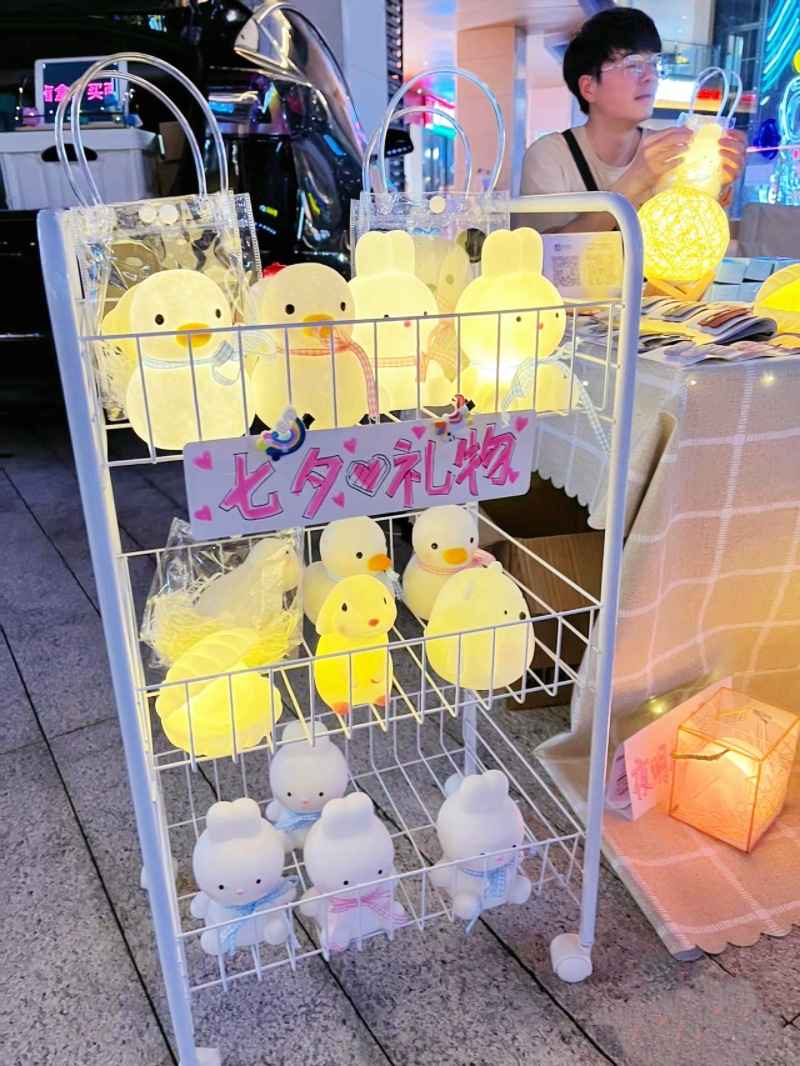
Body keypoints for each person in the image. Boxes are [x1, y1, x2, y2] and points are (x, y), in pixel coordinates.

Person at [520, 8, 746, 233]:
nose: (650, 77)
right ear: (589, 88)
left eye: (654, 64)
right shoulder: (551, 155)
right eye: (633, 65)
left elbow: (686, 239)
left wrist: (712, 185)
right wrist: (636, 179)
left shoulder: (670, 152)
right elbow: (545, 250)